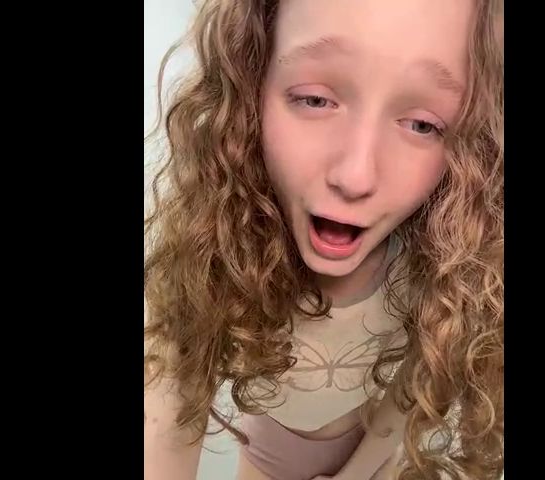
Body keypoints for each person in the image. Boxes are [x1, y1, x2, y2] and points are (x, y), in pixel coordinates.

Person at [144, 0, 503, 478]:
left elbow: (411, 389)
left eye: (423, 124)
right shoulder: (211, 256)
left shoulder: (433, 266)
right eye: (315, 99)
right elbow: (166, 419)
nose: (356, 177)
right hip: (266, 459)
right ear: (251, 88)